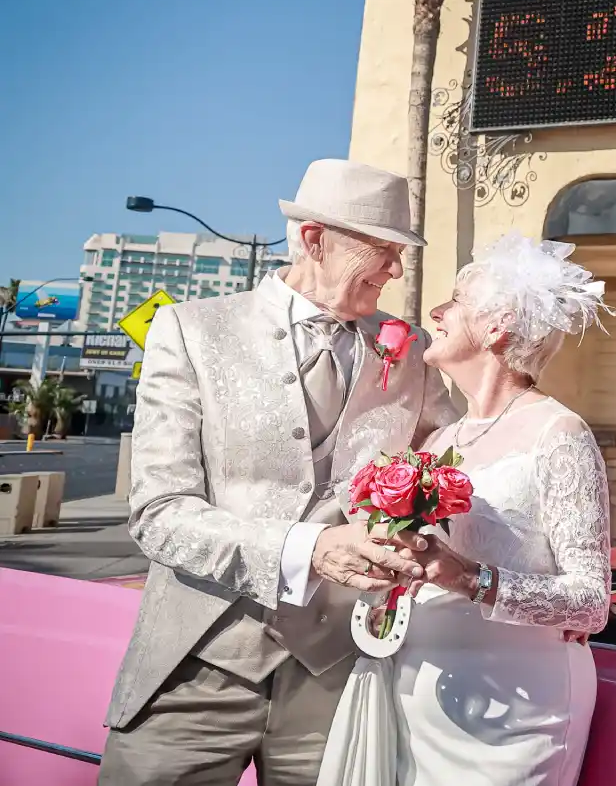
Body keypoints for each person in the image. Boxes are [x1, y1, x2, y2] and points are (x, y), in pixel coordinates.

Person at [100, 159, 461, 785]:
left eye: (400, 253)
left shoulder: (412, 354)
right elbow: (158, 515)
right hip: (199, 660)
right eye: (380, 249)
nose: (396, 270)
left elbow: (464, 461)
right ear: (314, 239)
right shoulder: (192, 330)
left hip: (340, 669)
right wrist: (310, 548)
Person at [316, 234, 613, 786]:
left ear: (497, 327)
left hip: (514, 712)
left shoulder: (560, 433)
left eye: (454, 300)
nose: (436, 312)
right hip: (417, 695)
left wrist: (465, 576)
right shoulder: (440, 439)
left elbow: (591, 605)